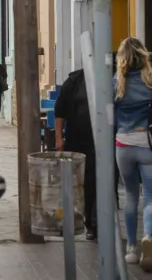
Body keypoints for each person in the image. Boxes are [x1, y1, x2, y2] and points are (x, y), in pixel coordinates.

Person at [114, 37, 152, 272]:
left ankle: (131, 248)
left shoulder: (116, 82)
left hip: (124, 144)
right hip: (151, 144)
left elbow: (109, 115)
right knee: (151, 197)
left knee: (130, 195)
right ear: (143, 55)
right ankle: (147, 236)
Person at [55, 66, 97, 241]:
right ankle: (74, 219)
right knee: (77, 183)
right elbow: (60, 111)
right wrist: (59, 139)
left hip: (99, 143)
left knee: (93, 182)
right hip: (76, 140)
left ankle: (93, 223)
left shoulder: (108, 79)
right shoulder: (74, 81)